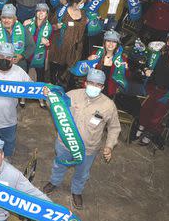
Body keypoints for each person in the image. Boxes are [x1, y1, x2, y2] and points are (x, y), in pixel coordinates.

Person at [43, 68, 121, 209]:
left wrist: (109, 146)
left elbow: (114, 128)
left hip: (88, 149)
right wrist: (48, 96)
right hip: (65, 143)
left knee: (82, 172)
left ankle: (77, 191)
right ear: (85, 83)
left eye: (98, 85)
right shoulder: (72, 95)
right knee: (59, 164)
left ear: (102, 87)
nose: (94, 87)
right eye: (91, 83)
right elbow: (55, 106)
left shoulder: (108, 106)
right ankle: (54, 182)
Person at [48, 0, 88, 88]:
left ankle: (63, 81)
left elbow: (83, 28)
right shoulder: (62, 12)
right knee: (56, 63)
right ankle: (53, 82)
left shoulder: (83, 13)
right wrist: (56, 27)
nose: (82, 4)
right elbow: (50, 26)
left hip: (74, 46)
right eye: (81, 3)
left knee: (69, 65)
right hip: (60, 45)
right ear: (75, 3)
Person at [0, 3, 35, 72]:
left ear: (15, 19)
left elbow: (31, 46)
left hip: (18, 67)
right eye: (4, 17)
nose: (6, 20)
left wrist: (21, 56)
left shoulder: (23, 30)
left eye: (9, 18)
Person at [86, 30, 129, 98]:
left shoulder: (122, 59)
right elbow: (85, 72)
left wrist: (126, 69)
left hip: (108, 91)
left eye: (114, 42)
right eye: (108, 41)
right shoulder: (96, 54)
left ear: (117, 44)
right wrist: (88, 61)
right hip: (93, 88)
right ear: (104, 42)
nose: (111, 44)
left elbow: (125, 78)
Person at [23, 3, 52, 105]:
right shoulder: (27, 23)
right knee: (25, 75)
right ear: (35, 12)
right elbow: (23, 38)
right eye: (39, 11)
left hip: (40, 55)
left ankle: (40, 97)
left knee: (40, 77)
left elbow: (49, 43)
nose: (41, 13)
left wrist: (47, 43)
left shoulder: (49, 27)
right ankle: (23, 97)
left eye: (43, 11)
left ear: (47, 13)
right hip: (28, 53)